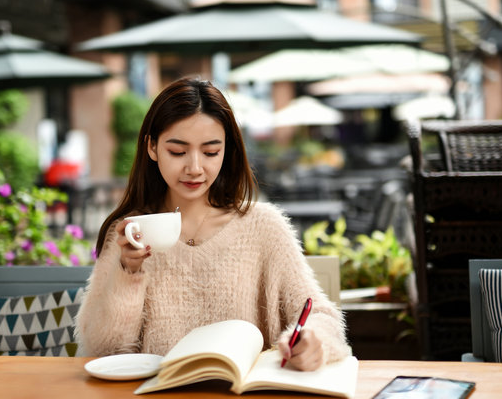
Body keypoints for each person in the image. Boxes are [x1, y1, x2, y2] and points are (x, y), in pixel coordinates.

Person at [75, 77, 350, 371]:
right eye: (177, 151)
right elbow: (103, 351)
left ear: (227, 151)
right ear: (152, 147)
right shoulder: (130, 232)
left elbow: (321, 315)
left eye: (210, 152)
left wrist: (312, 341)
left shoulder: (263, 227)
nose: (194, 168)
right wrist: (128, 272)